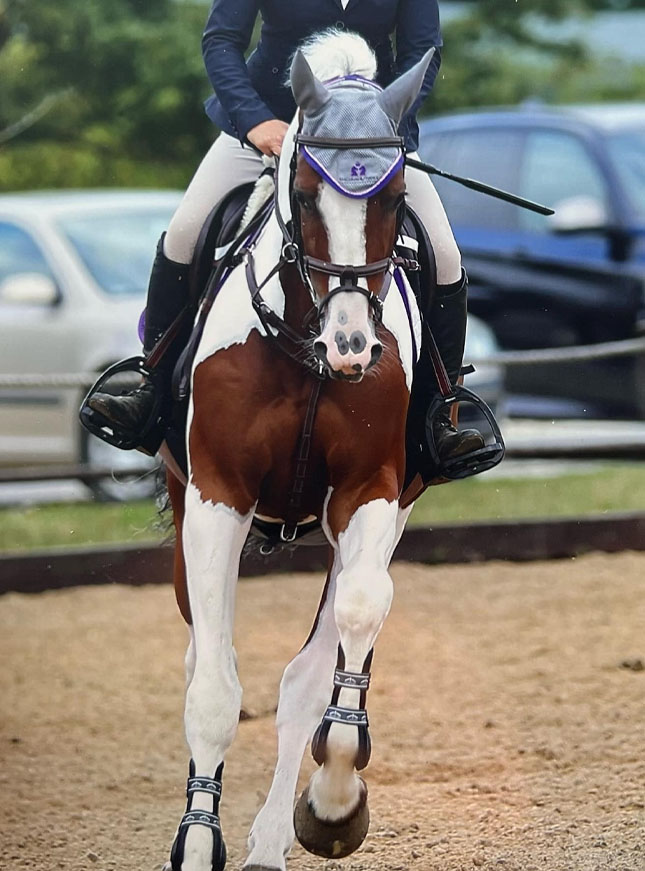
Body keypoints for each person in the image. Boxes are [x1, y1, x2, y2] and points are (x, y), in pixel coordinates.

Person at [89, 0, 484, 463]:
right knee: (184, 234)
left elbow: (423, 49)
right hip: (268, 126)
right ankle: (149, 389)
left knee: (446, 256)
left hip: (366, 140)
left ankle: (442, 413)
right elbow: (221, 41)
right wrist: (254, 121)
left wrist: (378, 121)